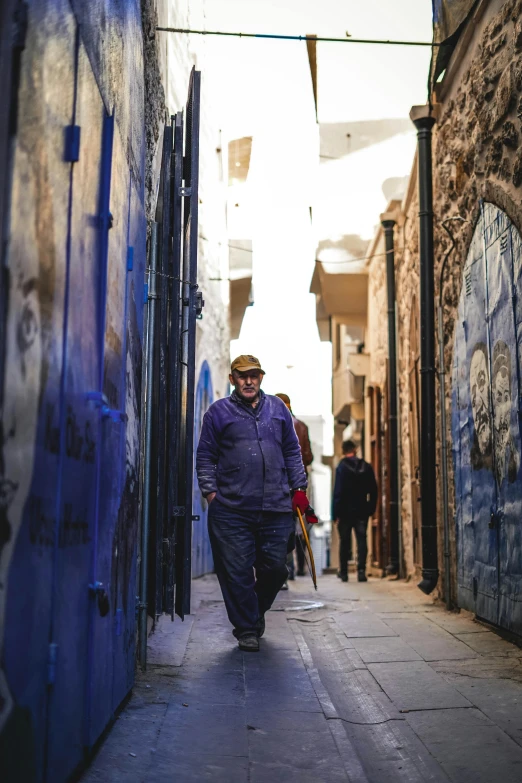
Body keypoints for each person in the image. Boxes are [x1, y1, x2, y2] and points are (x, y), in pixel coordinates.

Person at [196, 355, 317, 652]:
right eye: (242, 376)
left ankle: (253, 612)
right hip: (232, 510)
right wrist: (212, 494)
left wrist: (299, 490)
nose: (248, 381)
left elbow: (292, 451)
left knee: (276, 570)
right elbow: (205, 456)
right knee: (236, 572)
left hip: (276, 508)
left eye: (253, 375)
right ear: (233, 379)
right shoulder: (218, 413)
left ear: (261, 378)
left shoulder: (277, 409)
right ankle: (247, 628)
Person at [276, 393, 314, 580]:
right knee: (292, 526)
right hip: (296, 484)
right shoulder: (301, 426)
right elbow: (308, 457)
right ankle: (290, 569)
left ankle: (285, 568)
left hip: (276, 483)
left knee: (278, 527)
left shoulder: (270, 424)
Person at [333, 439, 377, 583]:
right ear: (355, 449)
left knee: (344, 542)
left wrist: (335, 513)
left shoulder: (342, 467)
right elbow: (374, 490)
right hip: (361, 510)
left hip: (345, 511)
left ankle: (344, 572)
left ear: (343, 451)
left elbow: (337, 492)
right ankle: (361, 571)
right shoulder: (365, 466)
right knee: (361, 540)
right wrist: (370, 508)